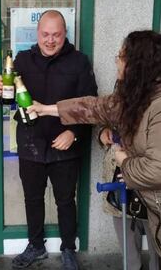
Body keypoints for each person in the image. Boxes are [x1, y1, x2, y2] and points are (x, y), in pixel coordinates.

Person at [29, 30, 161, 258]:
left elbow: (156, 170)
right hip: (144, 198)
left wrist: (124, 161)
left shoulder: (158, 105)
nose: (116, 61)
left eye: (121, 56)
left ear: (137, 64)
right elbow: (93, 107)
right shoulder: (137, 95)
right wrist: (45, 109)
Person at [0, 10, 98, 270]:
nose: (50, 40)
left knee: (65, 201)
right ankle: (36, 246)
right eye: (45, 34)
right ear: (37, 34)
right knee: (33, 199)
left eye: (56, 35)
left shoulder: (79, 62)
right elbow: (7, 100)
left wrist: (73, 133)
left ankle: (68, 249)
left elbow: (91, 106)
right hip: (31, 143)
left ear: (65, 34)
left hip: (65, 146)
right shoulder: (22, 61)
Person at [99, 127, 160, 270]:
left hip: (152, 177)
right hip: (118, 175)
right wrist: (103, 132)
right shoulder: (117, 104)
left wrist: (135, 173)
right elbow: (101, 116)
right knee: (129, 250)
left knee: (156, 243)